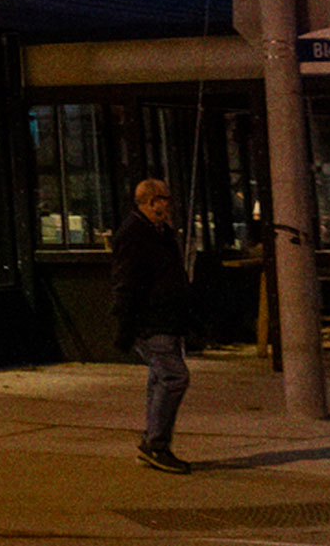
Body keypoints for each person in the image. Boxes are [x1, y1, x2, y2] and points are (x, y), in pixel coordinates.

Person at [111, 178, 193, 474]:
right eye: (165, 199)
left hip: (164, 319)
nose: (169, 205)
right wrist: (126, 324)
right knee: (174, 377)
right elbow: (126, 281)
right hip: (150, 321)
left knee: (160, 378)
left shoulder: (158, 232)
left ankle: (154, 442)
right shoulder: (134, 234)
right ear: (151, 202)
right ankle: (155, 444)